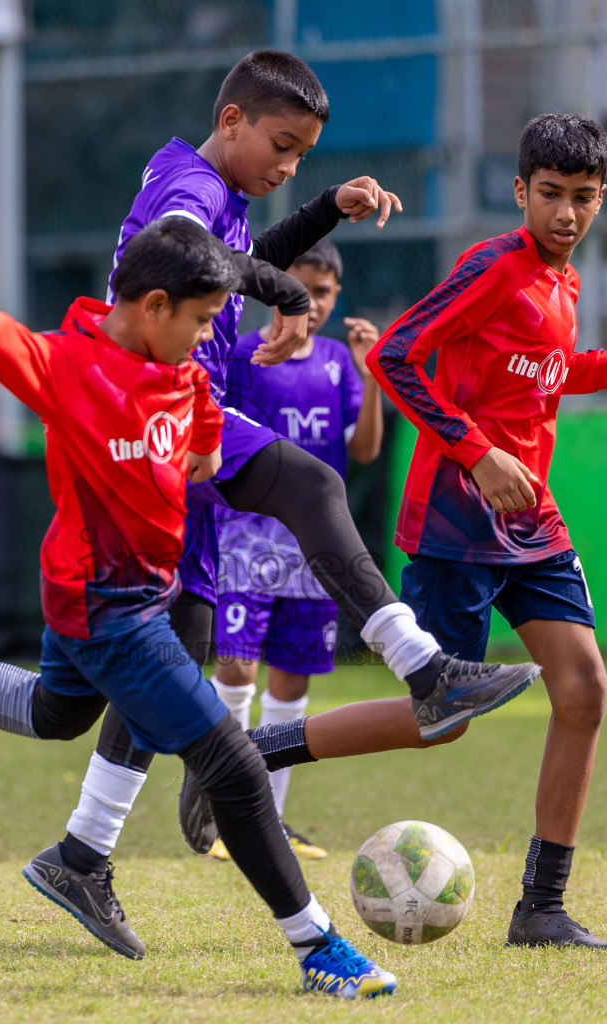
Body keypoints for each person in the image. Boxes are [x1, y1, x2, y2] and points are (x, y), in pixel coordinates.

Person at [0, 219, 397, 999]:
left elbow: (200, 425)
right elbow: (8, 344)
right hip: (106, 605)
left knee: (55, 714)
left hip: (120, 592)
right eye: (201, 321)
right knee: (232, 764)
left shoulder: (180, 369)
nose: (207, 336)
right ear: (153, 305)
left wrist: (202, 450)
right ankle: (315, 947)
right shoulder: (74, 363)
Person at [56, 51, 541, 951]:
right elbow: (189, 260)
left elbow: (230, 263)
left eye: (303, 157)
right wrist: (279, 290)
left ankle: (81, 854)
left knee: (180, 642)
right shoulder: (185, 184)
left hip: (177, 420)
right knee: (309, 485)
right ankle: (426, 672)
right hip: (150, 415)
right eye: (281, 146)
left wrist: (321, 214)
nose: (288, 167)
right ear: (232, 119)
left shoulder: (218, 188)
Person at [367, 113, 607, 950]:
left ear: (599, 198)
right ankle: (255, 752)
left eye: (582, 198)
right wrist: (473, 453)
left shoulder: (565, 283)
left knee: (582, 688)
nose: (565, 214)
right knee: (442, 717)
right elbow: (394, 354)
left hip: (530, 522)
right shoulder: (493, 267)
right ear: (520, 192)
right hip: (455, 521)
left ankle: (541, 907)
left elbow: (539, 372)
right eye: (549, 195)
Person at [206, 238, 383, 861]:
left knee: (291, 684)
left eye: (326, 292)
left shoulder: (339, 362)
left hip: (313, 551)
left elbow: (363, 452)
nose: (313, 303)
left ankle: (267, 823)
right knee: (235, 670)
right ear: (277, 287)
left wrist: (371, 377)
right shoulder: (244, 354)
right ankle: (217, 808)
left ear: (337, 296)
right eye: (301, 289)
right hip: (247, 539)